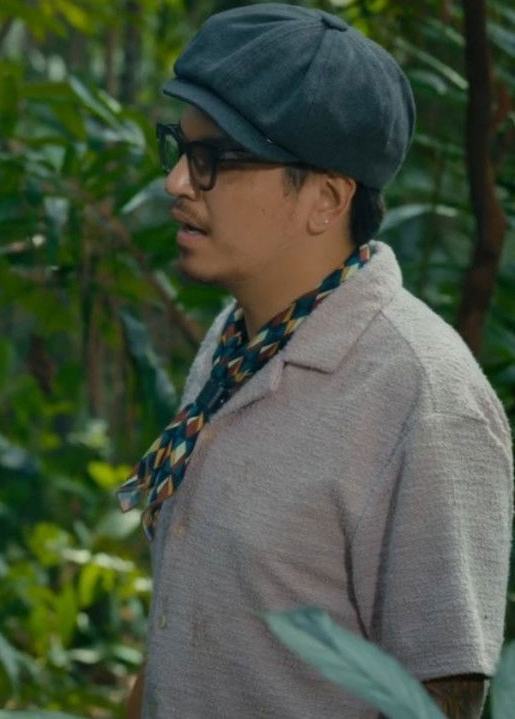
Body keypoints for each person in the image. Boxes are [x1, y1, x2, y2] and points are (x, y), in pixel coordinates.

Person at [116, 5, 513, 718]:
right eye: (180, 148)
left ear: (325, 199)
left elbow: (441, 696)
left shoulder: (424, 399)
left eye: (214, 159)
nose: (177, 181)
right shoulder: (237, 339)